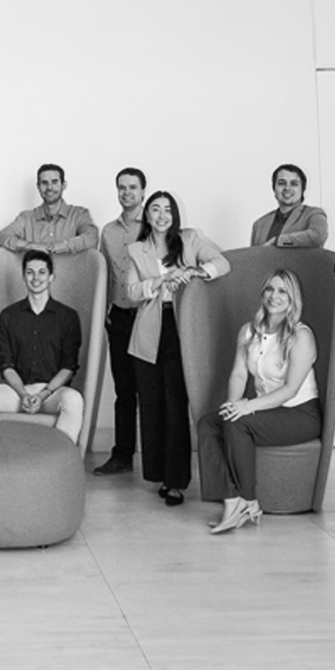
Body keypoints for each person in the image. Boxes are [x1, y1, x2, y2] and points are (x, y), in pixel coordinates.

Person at [197, 269, 322, 534]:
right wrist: (233, 405)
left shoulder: (301, 335)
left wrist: (247, 407)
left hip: (300, 414)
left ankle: (249, 501)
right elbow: (239, 373)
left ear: (292, 298)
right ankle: (231, 500)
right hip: (267, 409)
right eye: (269, 289)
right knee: (210, 423)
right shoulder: (248, 332)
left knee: (239, 423)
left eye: (282, 291)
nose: (274, 296)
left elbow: (290, 390)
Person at [126, 191, 230, 506]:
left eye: (167, 210)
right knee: (153, 404)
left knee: (176, 403)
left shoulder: (191, 239)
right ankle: (157, 472)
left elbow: (222, 263)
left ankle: (175, 481)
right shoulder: (136, 249)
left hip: (183, 330)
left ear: (175, 214)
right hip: (147, 333)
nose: (161, 215)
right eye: (155, 209)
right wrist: (160, 281)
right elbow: (131, 292)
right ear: (146, 215)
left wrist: (193, 272)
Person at [0, 250, 83, 444]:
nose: (36, 277)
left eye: (42, 272)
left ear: (51, 277)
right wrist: (23, 394)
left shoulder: (68, 317)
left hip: (52, 392)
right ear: (23, 276)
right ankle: (0, 454)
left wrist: (43, 394)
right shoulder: (7, 316)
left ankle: (61, 458)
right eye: (30, 272)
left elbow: (69, 367)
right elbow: (6, 365)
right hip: (18, 391)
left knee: (74, 400)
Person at [94, 167, 146, 476]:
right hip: (120, 319)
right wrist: (104, 316)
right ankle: (122, 456)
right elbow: (104, 275)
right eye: (122, 188)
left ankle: (155, 458)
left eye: (132, 188)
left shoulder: (155, 225)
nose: (126, 193)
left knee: (151, 391)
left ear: (142, 191)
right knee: (125, 392)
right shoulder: (108, 232)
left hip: (148, 318)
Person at [0, 163, 97, 254]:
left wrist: (58, 247)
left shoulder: (78, 214)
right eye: (44, 183)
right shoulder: (26, 218)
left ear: (63, 185)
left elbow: (92, 238)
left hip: (71, 276)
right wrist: (32, 246)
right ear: (38, 187)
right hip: (35, 276)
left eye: (54, 182)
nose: (49, 188)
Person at [250, 164, 329, 248]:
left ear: (302, 189)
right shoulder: (259, 225)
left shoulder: (313, 214)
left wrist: (279, 242)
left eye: (294, 184)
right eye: (281, 183)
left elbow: (317, 237)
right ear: (274, 188)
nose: (287, 188)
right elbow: (253, 258)